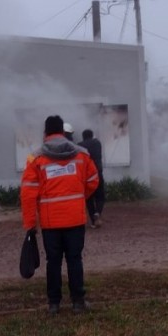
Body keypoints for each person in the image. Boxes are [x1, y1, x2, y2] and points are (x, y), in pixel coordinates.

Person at [21, 115, 99, 315]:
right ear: (63, 132)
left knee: (53, 262)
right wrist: (78, 197)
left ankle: (54, 304)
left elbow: (28, 194)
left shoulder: (35, 159)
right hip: (75, 219)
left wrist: (30, 223)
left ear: (45, 133)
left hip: (51, 223)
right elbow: (93, 180)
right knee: (75, 259)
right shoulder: (81, 155)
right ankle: (78, 302)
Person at [78, 129, 105, 228]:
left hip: (86, 175)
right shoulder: (97, 143)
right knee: (100, 196)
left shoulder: (79, 146)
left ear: (83, 136)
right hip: (97, 172)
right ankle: (98, 212)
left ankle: (93, 221)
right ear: (92, 135)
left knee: (89, 197)